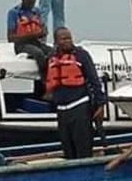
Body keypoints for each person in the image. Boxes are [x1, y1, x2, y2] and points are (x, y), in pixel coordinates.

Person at [45, 27, 105, 159]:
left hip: (80, 107)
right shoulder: (51, 58)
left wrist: (101, 105)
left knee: (83, 148)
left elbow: (94, 80)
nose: (67, 41)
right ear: (56, 42)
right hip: (62, 110)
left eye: (69, 38)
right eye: (63, 39)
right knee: (68, 149)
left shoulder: (81, 55)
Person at [6, 0, 52, 83]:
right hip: (21, 44)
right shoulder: (13, 13)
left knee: (54, 51)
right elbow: (10, 38)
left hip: (36, 42)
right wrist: (32, 35)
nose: (30, 5)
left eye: (32, 2)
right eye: (28, 2)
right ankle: (45, 81)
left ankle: (55, 78)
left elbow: (42, 27)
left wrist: (43, 32)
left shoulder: (36, 11)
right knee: (39, 53)